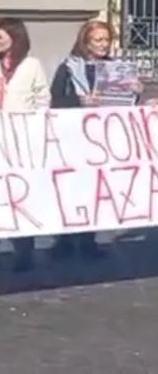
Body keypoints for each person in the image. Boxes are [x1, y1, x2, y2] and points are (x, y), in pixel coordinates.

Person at [48, 20, 140, 261]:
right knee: (70, 189)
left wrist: (135, 91)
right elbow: (56, 101)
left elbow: (127, 106)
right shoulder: (69, 68)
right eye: (97, 40)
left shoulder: (117, 68)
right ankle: (64, 240)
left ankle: (88, 239)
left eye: (106, 40)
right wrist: (80, 102)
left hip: (102, 137)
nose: (103, 45)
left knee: (94, 190)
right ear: (85, 42)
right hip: (73, 136)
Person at [0, 17, 49, 272]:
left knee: (22, 197)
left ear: (15, 38)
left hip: (22, 142)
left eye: (0, 36)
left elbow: (42, 98)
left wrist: (35, 124)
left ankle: (24, 252)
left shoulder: (32, 65)